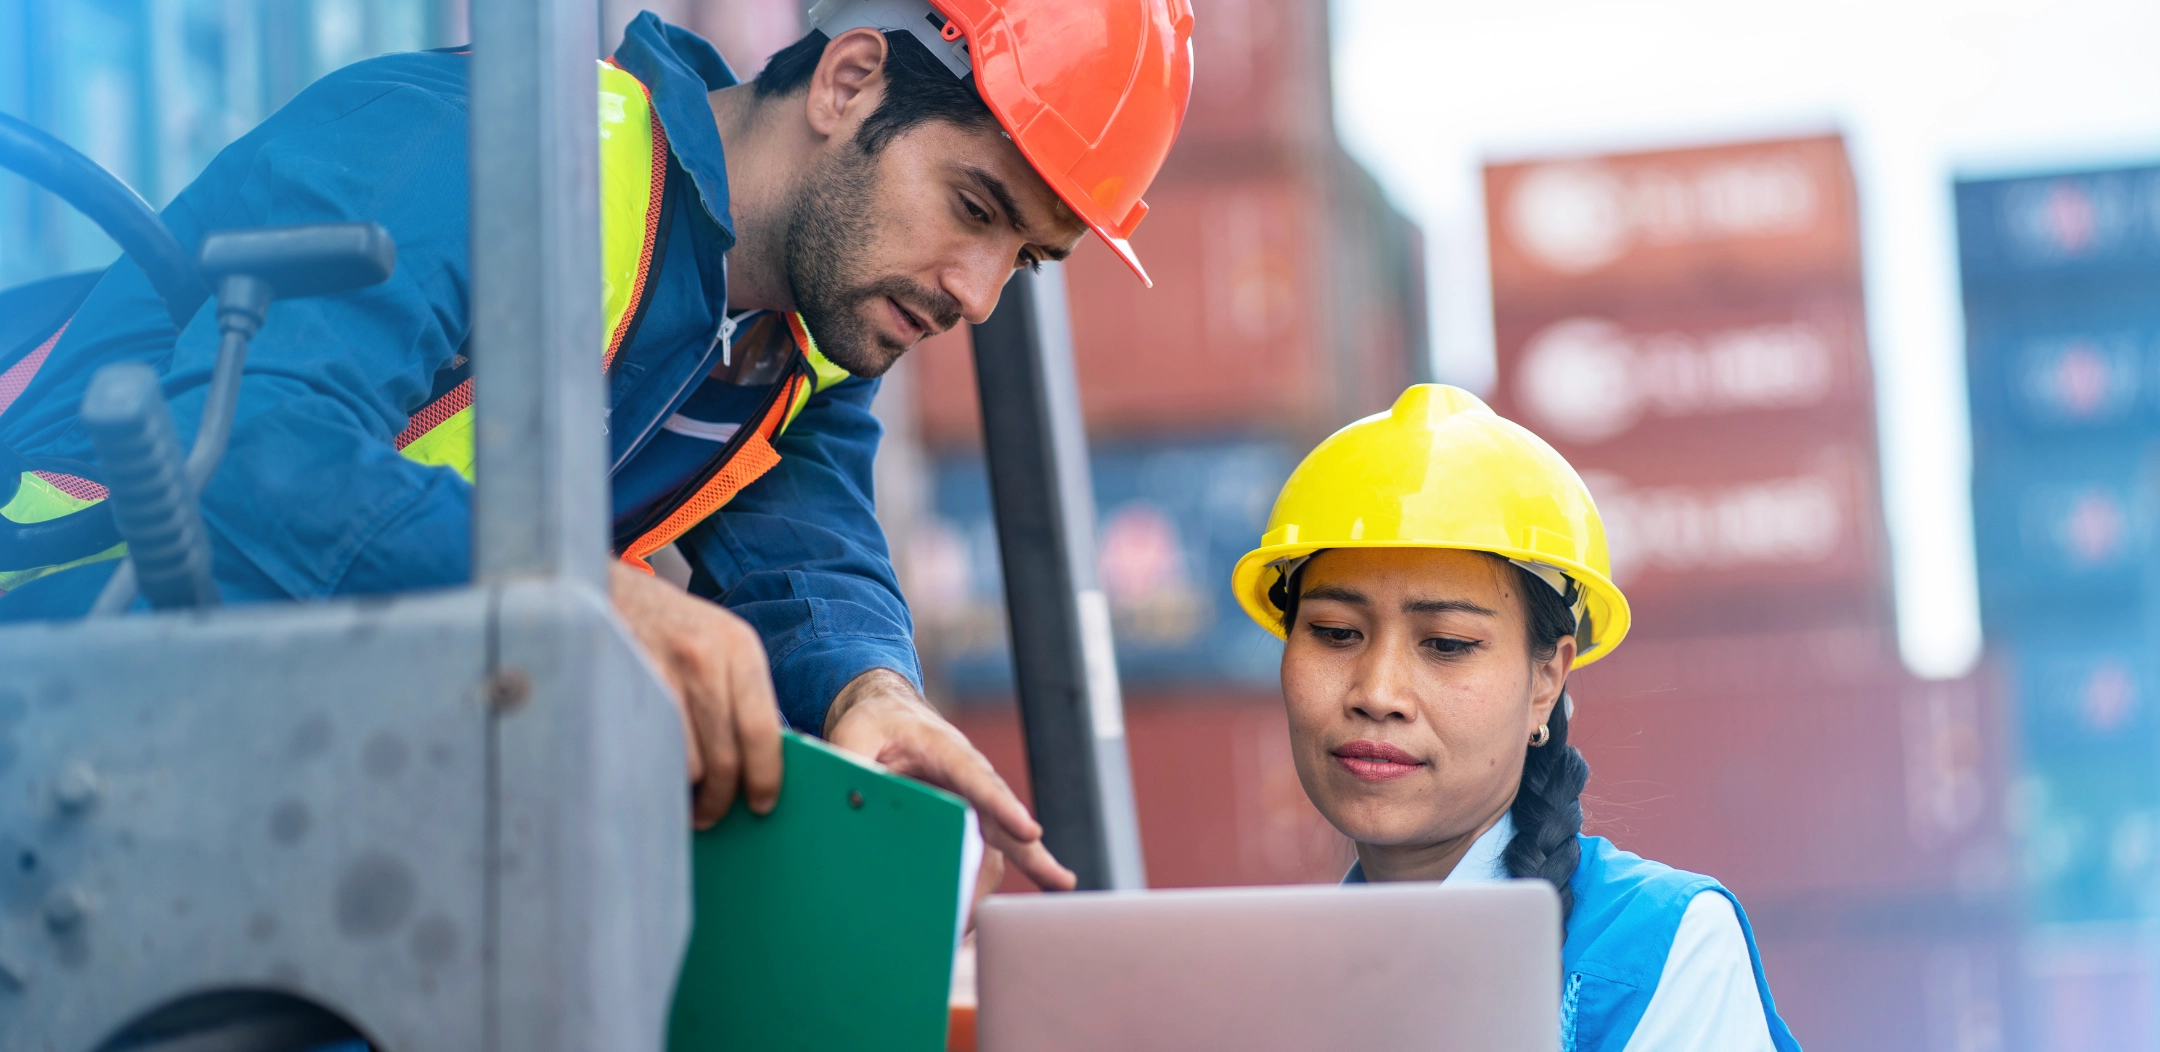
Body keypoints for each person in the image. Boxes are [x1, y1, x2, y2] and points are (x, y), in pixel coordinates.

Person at [0, 0, 1193, 890]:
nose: (978, 293)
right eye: (976, 209)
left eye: (1025, 261)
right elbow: (250, 449)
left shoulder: (801, 336)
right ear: (850, 81)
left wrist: (871, 691)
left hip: (261, 755)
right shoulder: (488, 150)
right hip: (60, 666)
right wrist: (588, 599)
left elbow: (811, 549)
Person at [1229, 384, 1803, 1052]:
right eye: (1333, 632)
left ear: (1546, 681)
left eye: (1445, 644)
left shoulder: (1659, 948)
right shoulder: (1270, 990)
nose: (1377, 692)